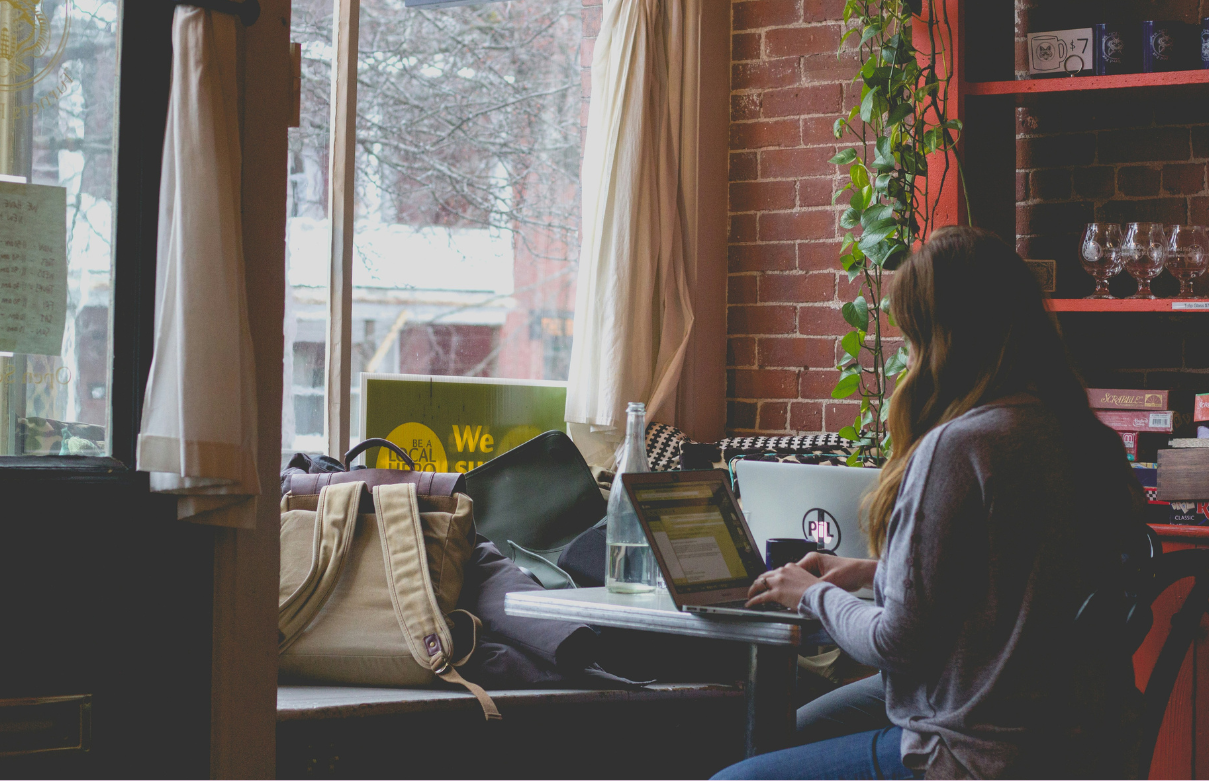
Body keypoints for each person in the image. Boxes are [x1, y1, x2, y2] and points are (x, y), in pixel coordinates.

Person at [713, 227, 1147, 780]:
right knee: (781, 735)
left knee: (735, 776)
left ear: (941, 338)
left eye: (912, 333)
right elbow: (1018, 580)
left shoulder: (962, 446)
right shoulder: (1082, 436)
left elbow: (896, 643)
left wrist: (812, 594)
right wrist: (869, 572)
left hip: (981, 748)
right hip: (1080, 737)